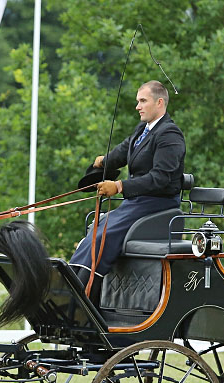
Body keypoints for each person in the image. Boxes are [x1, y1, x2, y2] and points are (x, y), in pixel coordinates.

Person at [69, 80, 186, 304]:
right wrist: (102, 163)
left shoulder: (170, 135)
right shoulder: (143, 129)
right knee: (95, 229)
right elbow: (123, 151)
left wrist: (120, 186)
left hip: (158, 205)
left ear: (159, 102)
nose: (138, 106)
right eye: (137, 101)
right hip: (137, 203)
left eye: (143, 101)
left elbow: (160, 178)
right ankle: (73, 285)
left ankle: (84, 297)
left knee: (103, 236)